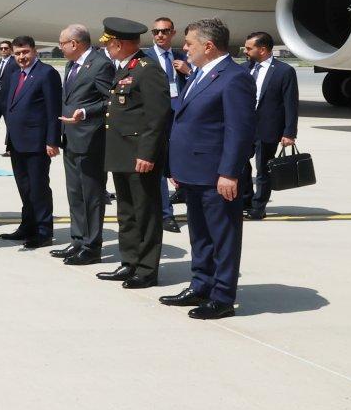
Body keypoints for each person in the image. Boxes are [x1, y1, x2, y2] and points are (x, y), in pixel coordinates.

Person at [159, 19, 256, 320]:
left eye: (190, 43)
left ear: (209, 46)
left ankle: (222, 297)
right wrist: (176, 167)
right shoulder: (198, 74)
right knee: (200, 236)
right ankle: (201, 285)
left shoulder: (234, 78)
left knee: (223, 237)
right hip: (192, 171)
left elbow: (239, 131)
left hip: (216, 174)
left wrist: (230, 172)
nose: (185, 48)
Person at [96, 18, 172, 289]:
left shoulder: (147, 70)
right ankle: (129, 262)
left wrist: (147, 154)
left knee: (145, 213)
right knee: (126, 213)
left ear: (119, 44)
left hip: (140, 156)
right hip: (121, 154)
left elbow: (157, 117)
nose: (107, 48)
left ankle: (147, 269)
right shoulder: (125, 68)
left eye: (110, 44)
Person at [0, 36, 61, 249]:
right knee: (25, 188)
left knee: (38, 188)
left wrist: (52, 141)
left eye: (25, 52)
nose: (21, 57)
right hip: (16, 143)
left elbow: (53, 110)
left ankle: (44, 232)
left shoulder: (47, 73)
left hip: (37, 143)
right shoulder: (13, 75)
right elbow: (2, 104)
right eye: (17, 53)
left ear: (34, 51)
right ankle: (28, 226)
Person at [53, 24, 116, 265]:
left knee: (92, 195)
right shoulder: (71, 65)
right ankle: (78, 239)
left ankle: (92, 246)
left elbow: (112, 100)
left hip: (91, 140)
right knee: (75, 193)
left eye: (62, 43)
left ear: (74, 43)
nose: (60, 47)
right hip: (71, 139)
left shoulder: (100, 65)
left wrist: (86, 112)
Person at [240, 32, 298, 220]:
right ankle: (246, 200)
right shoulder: (243, 69)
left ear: (263, 50)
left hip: (268, 128)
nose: (245, 51)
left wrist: (289, 132)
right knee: (240, 165)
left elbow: (291, 104)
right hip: (244, 127)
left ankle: (259, 207)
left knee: (263, 169)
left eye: (249, 48)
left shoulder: (284, 71)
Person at [147, 17, 191, 232]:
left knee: (182, 160)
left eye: (164, 31)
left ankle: (186, 197)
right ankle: (166, 214)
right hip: (156, 117)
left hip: (180, 114)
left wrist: (188, 71)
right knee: (159, 164)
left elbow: (199, 83)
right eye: (156, 31)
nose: (160, 35)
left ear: (173, 33)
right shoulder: (145, 57)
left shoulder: (183, 56)